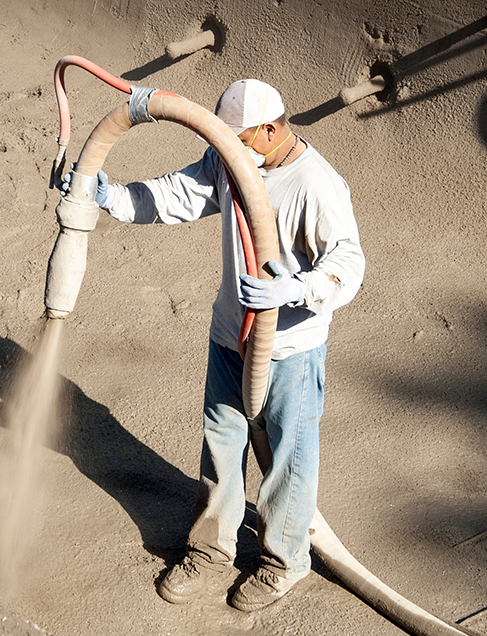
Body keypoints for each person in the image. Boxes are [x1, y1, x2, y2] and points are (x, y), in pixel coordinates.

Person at [88, 79, 364, 611]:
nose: (223, 149)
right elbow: (177, 194)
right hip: (229, 337)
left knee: (288, 457)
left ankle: (285, 563)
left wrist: (298, 289)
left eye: (234, 138)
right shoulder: (233, 161)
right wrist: (114, 197)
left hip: (290, 351)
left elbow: (349, 264)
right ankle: (212, 550)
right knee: (221, 444)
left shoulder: (317, 183)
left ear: (270, 128)